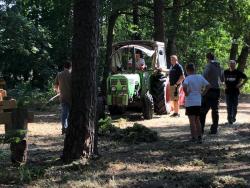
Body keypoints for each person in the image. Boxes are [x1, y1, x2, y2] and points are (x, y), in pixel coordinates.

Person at [183, 63, 210, 143]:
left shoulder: (188, 78)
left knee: (191, 120)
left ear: (187, 70)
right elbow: (209, 85)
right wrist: (203, 93)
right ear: (194, 69)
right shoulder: (200, 77)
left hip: (190, 101)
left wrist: (186, 93)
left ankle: (193, 137)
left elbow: (184, 86)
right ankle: (200, 137)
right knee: (197, 120)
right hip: (198, 101)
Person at [200, 52, 224, 134]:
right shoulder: (219, 66)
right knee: (215, 110)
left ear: (207, 58)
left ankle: (201, 129)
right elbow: (222, 79)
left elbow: (203, 76)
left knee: (203, 110)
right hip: (217, 90)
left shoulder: (209, 65)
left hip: (209, 90)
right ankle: (214, 129)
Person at [224, 60, 248, 124]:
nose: (232, 65)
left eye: (233, 64)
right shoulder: (225, 72)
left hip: (235, 92)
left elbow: (246, 78)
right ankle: (229, 119)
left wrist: (241, 85)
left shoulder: (238, 72)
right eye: (231, 64)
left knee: (234, 105)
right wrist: (224, 84)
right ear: (229, 65)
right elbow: (221, 79)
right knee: (229, 106)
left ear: (235, 65)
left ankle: (233, 117)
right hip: (227, 91)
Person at [54, 61, 72, 134]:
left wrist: (58, 92)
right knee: (70, 113)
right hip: (72, 97)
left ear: (64, 66)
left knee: (64, 113)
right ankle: (68, 128)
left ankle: (64, 127)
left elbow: (55, 86)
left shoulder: (59, 74)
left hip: (63, 97)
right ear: (70, 67)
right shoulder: (73, 74)